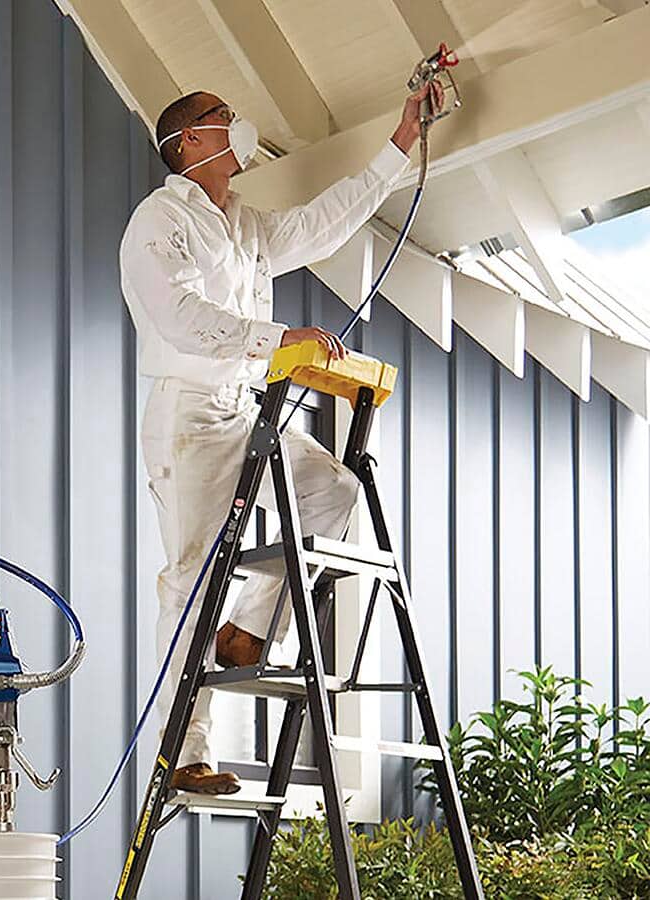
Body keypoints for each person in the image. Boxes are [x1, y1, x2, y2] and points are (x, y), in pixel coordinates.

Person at [120, 82, 443, 795]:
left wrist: (401, 141)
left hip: (244, 409)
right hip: (188, 416)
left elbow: (324, 223)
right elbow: (179, 315)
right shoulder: (159, 220)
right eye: (221, 117)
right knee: (192, 576)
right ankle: (184, 754)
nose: (236, 124)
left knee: (335, 493)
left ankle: (249, 629)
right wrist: (277, 338)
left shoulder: (245, 225)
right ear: (189, 141)